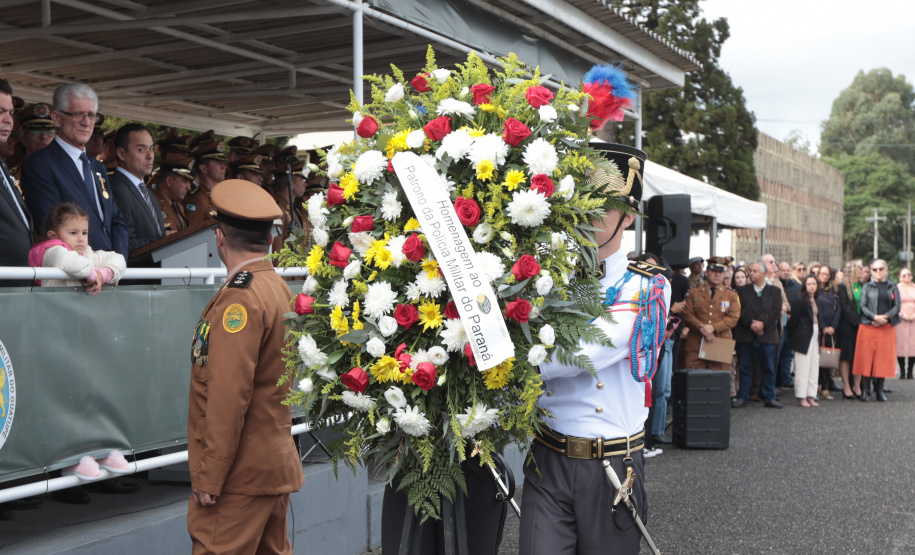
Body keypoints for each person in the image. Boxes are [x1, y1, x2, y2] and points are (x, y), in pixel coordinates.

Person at [519, 141, 670, 555]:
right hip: (547, 457)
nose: (584, 218)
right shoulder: (547, 276)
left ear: (629, 216)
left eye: (599, 207)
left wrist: (510, 355)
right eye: (577, 206)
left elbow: (586, 351)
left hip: (611, 466)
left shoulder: (648, 285)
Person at [186, 179, 305, 554]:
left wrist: (211, 472)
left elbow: (228, 394)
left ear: (219, 237)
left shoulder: (240, 298)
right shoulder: (276, 286)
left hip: (240, 473)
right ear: (269, 239)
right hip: (269, 463)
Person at [21, 83, 129, 259]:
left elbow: (116, 221)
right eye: (78, 114)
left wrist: (116, 263)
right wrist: (92, 267)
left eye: (91, 115)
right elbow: (52, 226)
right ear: (57, 118)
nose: (86, 122)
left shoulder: (98, 167)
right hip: (75, 270)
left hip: (109, 270)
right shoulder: (39, 164)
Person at [28, 202, 126, 293]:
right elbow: (71, 262)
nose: (81, 238)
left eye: (84, 233)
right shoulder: (52, 251)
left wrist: (102, 275)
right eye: (73, 233)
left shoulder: (88, 253)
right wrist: (92, 275)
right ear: (53, 236)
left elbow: (119, 258)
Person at [110, 123, 164, 264]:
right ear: (121, 153)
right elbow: (126, 243)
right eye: (141, 150)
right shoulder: (116, 188)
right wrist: (165, 242)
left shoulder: (148, 193)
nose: (150, 156)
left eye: (151, 149)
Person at [732, 262, 784, 409]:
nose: (751, 273)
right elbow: (739, 311)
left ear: (764, 273)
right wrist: (751, 324)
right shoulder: (741, 291)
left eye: (755, 271)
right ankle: (743, 396)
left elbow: (775, 312)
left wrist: (762, 324)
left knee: (769, 368)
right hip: (746, 334)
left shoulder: (775, 291)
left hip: (767, 336)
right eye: (750, 270)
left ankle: (769, 397)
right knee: (745, 368)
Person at [0, 79, 35, 287]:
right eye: (0, 112)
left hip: (16, 287)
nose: (9, 120)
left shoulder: (2, 164)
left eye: (11, 113)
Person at [681, 256, 741, 372]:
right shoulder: (693, 292)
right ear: (706, 272)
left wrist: (713, 327)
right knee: (694, 378)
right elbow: (688, 314)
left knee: (719, 379)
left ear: (725, 274)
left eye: (720, 272)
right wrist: (703, 328)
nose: (717, 275)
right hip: (696, 342)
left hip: (720, 343)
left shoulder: (732, 295)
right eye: (714, 271)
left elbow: (733, 317)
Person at [852, 259, 900, 402]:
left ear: (886, 270)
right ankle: (864, 391)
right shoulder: (867, 286)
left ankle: (879, 391)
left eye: (880, 269)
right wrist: (875, 317)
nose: (878, 272)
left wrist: (885, 318)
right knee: (866, 359)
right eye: (874, 269)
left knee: (883, 359)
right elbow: (863, 305)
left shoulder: (892, 286)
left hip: (886, 327)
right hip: (868, 326)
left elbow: (897, 306)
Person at [785, 275, 821, 407]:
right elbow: (793, 322)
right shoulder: (800, 301)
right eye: (809, 284)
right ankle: (801, 396)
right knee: (802, 367)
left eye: (814, 284)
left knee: (814, 366)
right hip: (803, 335)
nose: (811, 286)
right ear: (804, 286)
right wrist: (795, 337)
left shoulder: (817, 300)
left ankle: (811, 395)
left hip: (815, 333)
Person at [182, 131, 226, 227]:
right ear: (204, 168)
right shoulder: (198, 200)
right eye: (218, 162)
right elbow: (189, 234)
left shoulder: (213, 197)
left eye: (223, 162)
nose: (224, 166)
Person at [837, 260, 863, 398]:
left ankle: (857, 386)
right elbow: (844, 307)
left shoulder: (863, 285)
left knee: (859, 356)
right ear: (853, 271)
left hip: (862, 325)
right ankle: (846, 386)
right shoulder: (842, 287)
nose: (862, 271)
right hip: (847, 325)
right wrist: (857, 321)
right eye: (860, 269)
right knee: (846, 356)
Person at [815, 266, 842, 400]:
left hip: (832, 329)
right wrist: (823, 327)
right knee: (816, 359)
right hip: (819, 328)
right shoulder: (814, 288)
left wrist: (834, 326)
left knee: (826, 359)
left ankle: (825, 388)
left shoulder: (834, 290)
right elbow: (815, 310)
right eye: (822, 273)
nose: (824, 276)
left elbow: (839, 309)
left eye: (827, 274)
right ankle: (816, 387)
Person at [153, 155, 195, 234]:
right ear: (169, 181)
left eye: (190, 182)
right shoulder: (153, 205)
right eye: (185, 181)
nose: (189, 187)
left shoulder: (177, 204)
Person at [895, 267, 915, 379]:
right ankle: (902, 371)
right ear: (900, 277)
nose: (907, 276)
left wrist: (913, 316)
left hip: (914, 320)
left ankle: (910, 371)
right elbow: (894, 304)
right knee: (901, 345)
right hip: (901, 320)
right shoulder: (896, 288)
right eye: (904, 275)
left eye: (909, 274)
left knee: (913, 345)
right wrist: (904, 315)